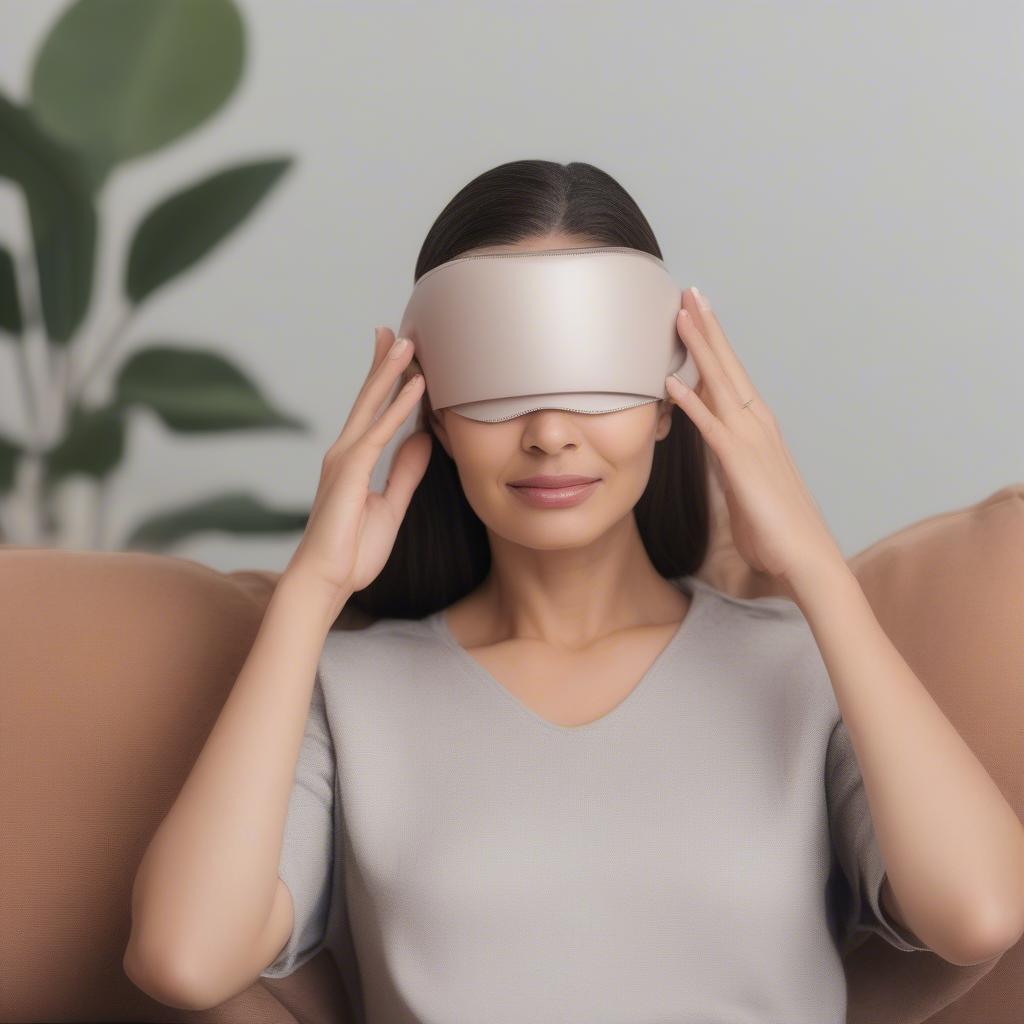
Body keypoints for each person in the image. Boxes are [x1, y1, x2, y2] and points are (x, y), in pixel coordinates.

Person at [123, 160, 936, 1022]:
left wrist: (814, 568)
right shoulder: (348, 690)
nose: (550, 434)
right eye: (501, 386)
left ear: (669, 398)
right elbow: (184, 958)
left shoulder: (798, 662)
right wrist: (308, 594)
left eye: (592, 381)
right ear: (430, 406)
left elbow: (981, 911)